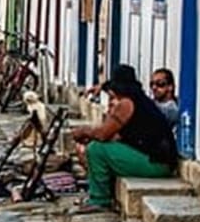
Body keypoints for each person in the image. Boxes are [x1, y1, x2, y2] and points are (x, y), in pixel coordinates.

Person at [70, 65, 178, 210]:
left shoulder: (126, 104)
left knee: (96, 149)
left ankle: (99, 199)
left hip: (157, 163)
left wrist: (84, 131)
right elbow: (116, 135)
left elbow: (103, 134)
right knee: (98, 147)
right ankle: (99, 193)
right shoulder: (138, 101)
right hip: (157, 160)